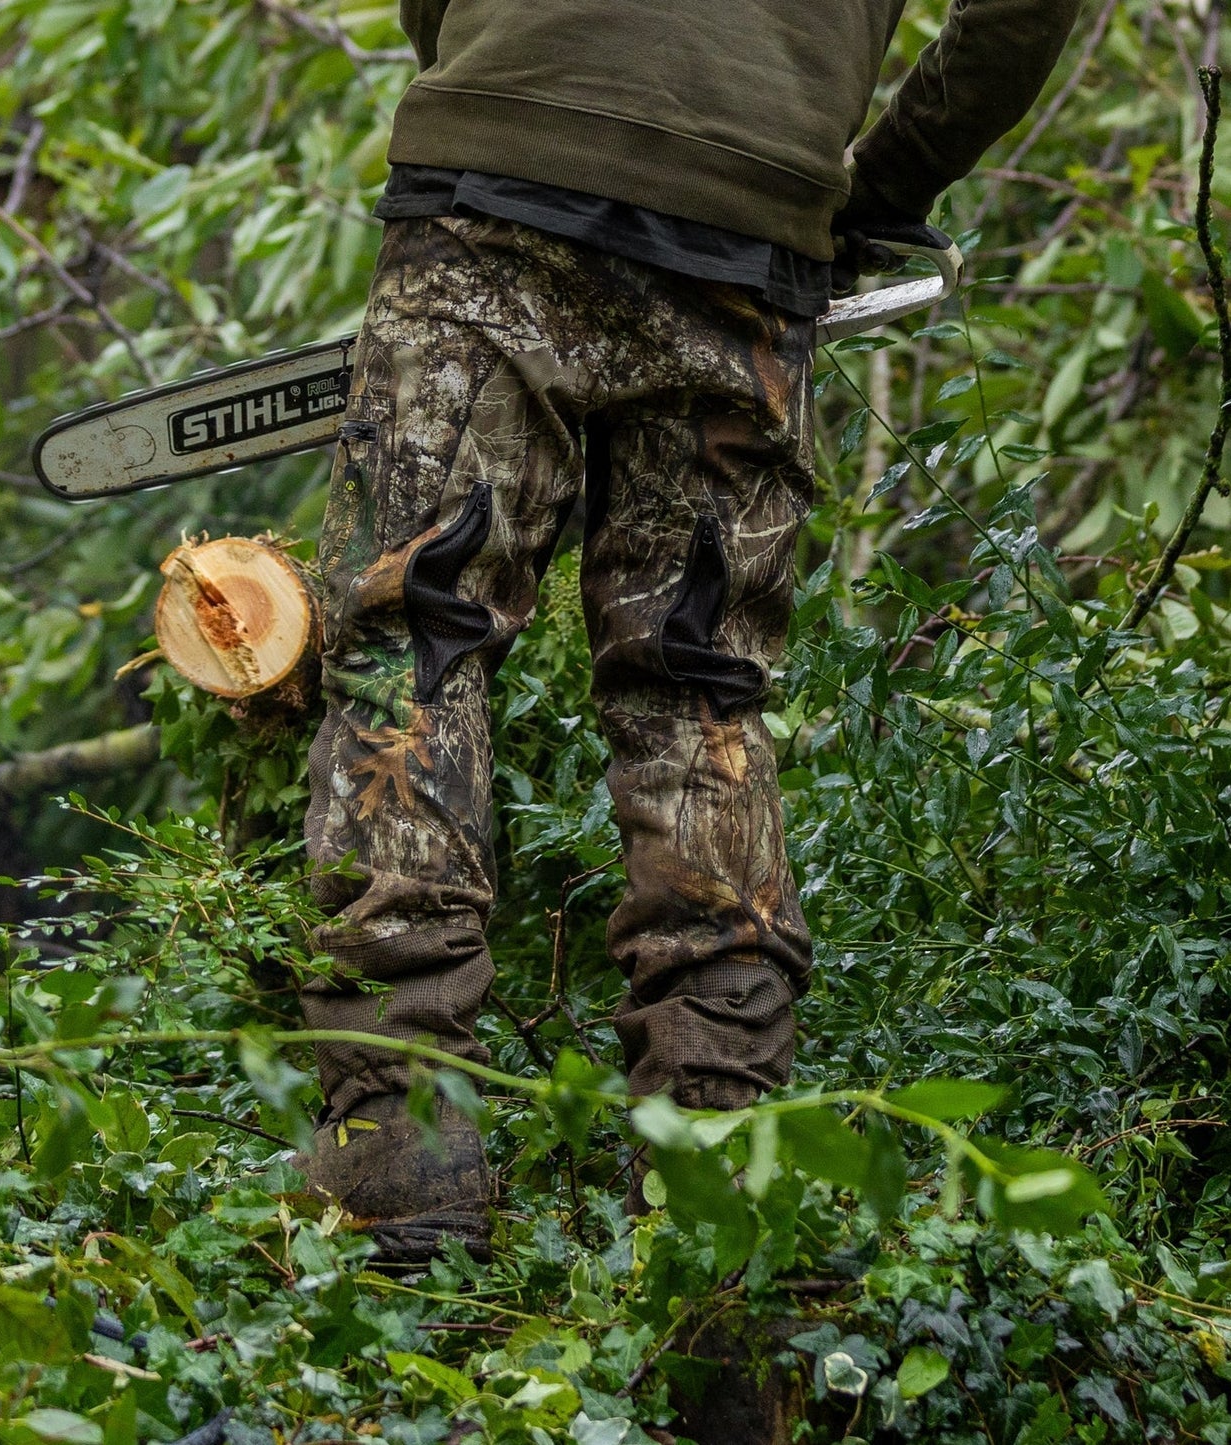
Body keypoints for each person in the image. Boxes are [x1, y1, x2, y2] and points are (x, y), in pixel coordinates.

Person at [295, 0, 1084, 1262]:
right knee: (697, 698)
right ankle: (716, 1162)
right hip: (753, 220)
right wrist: (874, 185)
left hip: (494, 181)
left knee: (415, 647)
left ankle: (400, 1149)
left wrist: (500, 70)